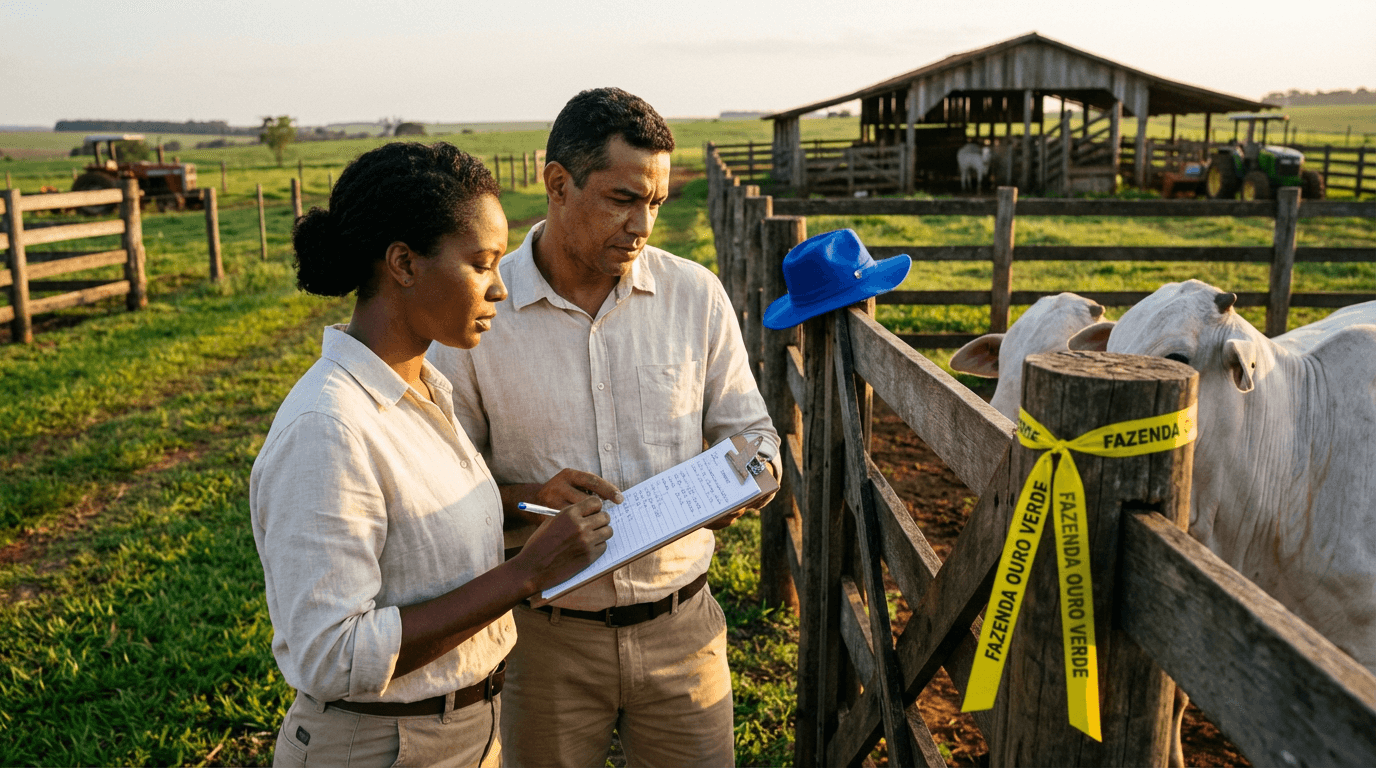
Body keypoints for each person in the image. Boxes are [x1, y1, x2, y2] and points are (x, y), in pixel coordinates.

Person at [428, 88, 779, 768]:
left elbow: (755, 435)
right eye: (623, 198)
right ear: (557, 184)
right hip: (543, 641)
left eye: (656, 203)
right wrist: (530, 497)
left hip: (685, 631)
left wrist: (751, 479)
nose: (643, 224)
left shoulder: (695, 295)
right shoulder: (477, 316)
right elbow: (440, 484)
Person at [250, 142, 614, 768]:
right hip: (378, 745)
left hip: (464, 732)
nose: (500, 288)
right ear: (404, 264)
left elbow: (412, 534)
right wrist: (525, 573)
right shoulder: (327, 428)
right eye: (481, 263)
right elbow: (333, 654)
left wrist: (526, 507)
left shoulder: (424, 387)